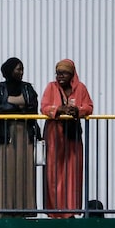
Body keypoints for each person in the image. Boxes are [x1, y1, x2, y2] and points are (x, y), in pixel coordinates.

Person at [41, 59, 94, 218]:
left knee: (72, 171)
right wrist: (58, 109)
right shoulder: (51, 87)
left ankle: (70, 210)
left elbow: (89, 107)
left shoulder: (81, 88)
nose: (60, 77)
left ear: (72, 74)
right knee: (53, 172)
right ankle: (54, 211)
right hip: (54, 136)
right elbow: (44, 106)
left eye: (64, 73)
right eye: (58, 73)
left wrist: (77, 110)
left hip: (73, 136)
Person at [0, 57, 40, 218]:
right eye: (18, 69)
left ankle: (26, 209)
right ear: (9, 70)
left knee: (25, 170)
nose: (21, 72)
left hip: (25, 132)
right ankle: (6, 209)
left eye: (22, 69)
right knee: (7, 170)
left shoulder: (27, 88)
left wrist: (11, 107)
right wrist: (18, 106)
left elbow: (33, 107)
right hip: (7, 134)